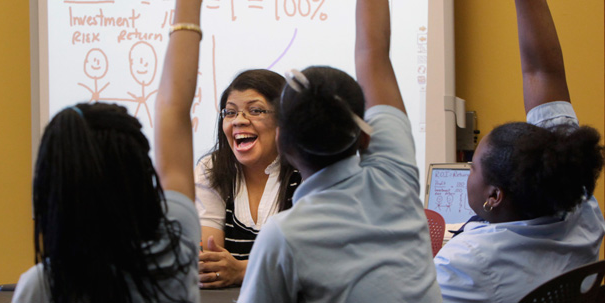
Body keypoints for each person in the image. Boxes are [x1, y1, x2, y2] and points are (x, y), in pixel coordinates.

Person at [236, 0, 442, 302]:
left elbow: (373, 52)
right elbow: (373, 52)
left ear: (281, 142)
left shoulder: (285, 235)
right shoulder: (394, 174)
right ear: (364, 138)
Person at [12, 0, 204, 302]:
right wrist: (188, 8)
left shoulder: (44, 286)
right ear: (140, 175)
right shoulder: (174, 249)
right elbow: (173, 108)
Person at [434, 1, 605, 302]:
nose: (468, 172)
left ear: (494, 196)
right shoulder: (576, 202)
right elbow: (543, 72)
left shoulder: (465, 263)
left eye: (472, 166)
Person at [195, 69, 301, 288]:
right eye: (230, 113)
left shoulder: (306, 169)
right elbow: (209, 255)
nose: (239, 121)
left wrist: (244, 270)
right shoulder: (211, 168)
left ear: (283, 119)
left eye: (255, 111)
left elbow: (317, 258)